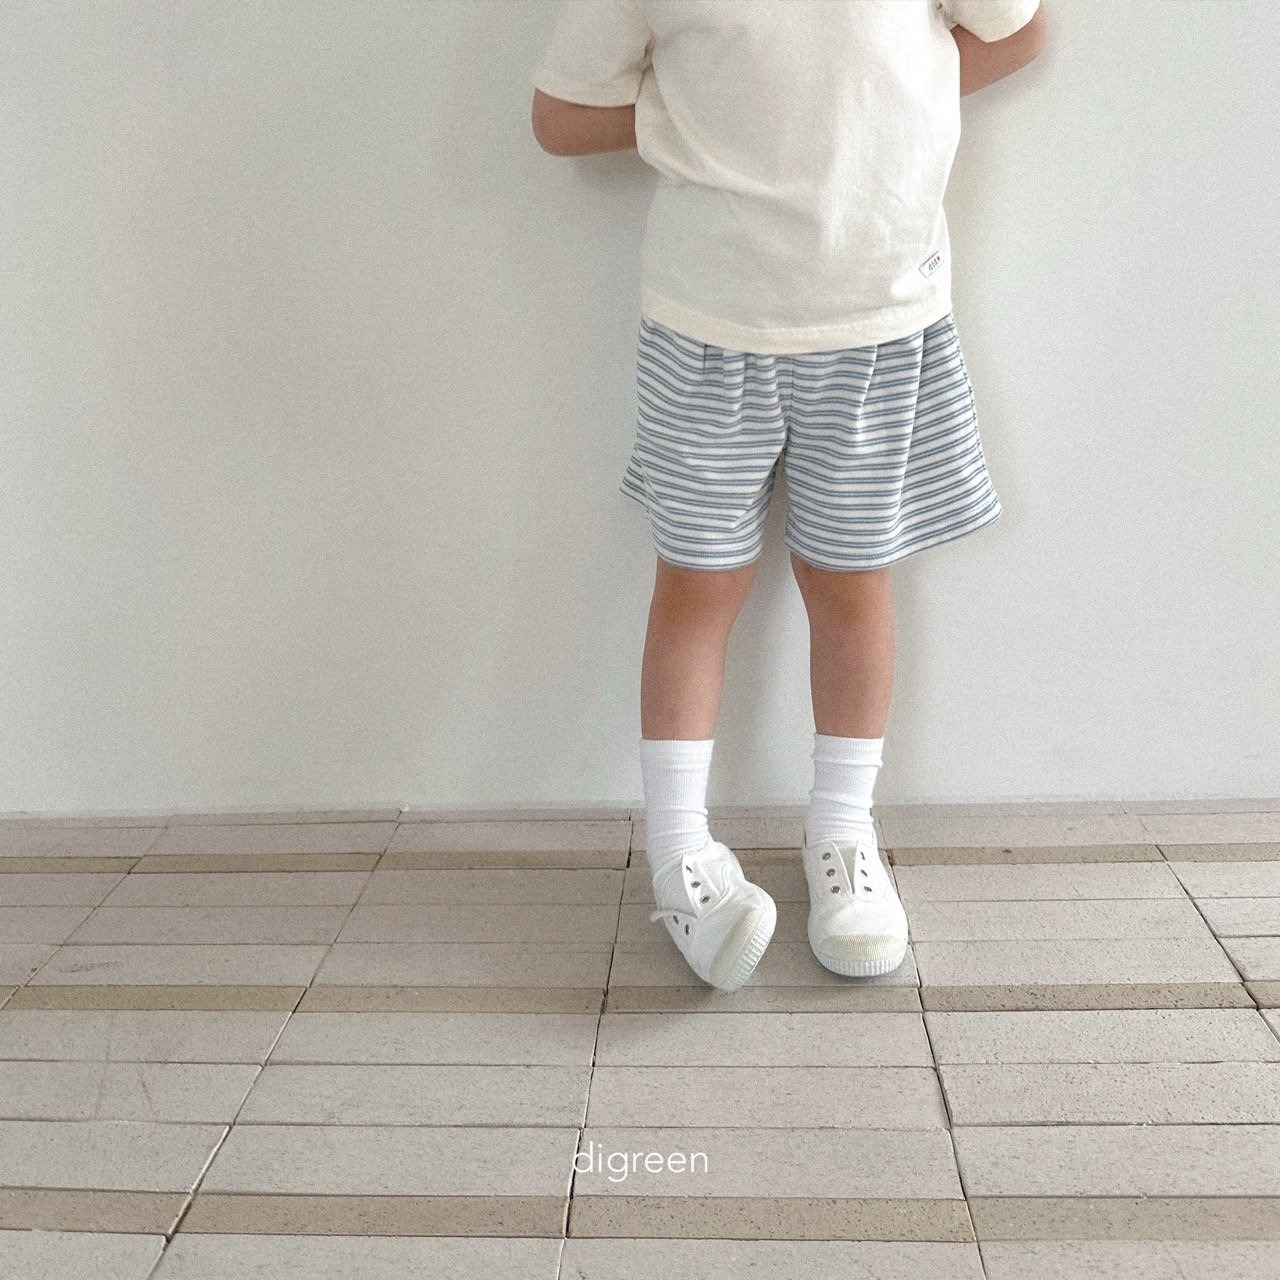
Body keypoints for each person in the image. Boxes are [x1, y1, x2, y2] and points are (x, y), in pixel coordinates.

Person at [530, 0, 1046, 992]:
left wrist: (885, 115)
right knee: (697, 585)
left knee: (851, 581)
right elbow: (560, 117)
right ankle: (680, 856)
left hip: (878, 317)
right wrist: (692, 119)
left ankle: (843, 834)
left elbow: (1017, 31)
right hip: (705, 324)